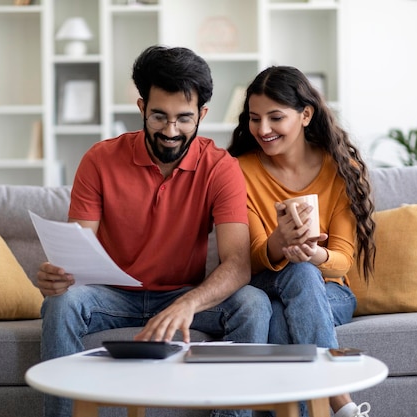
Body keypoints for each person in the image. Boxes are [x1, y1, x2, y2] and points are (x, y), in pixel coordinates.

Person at [37, 45, 272, 417]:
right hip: (111, 297)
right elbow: (76, 252)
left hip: (181, 293)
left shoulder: (221, 167)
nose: (171, 131)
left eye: (184, 118)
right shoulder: (99, 159)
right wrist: (58, 276)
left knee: (253, 304)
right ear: (142, 107)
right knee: (62, 303)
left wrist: (187, 304)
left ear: (202, 115)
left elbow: (239, 264)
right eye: (159, 116)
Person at [227, 66, 377, 417]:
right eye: (254, 118)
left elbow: (343, 260)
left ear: (305, 114)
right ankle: (340, 401)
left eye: (275, 117)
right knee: (297, 273)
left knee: (289, 301)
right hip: (266, 282)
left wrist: (316, 254)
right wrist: (279, 243)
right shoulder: (239, 170)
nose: (262, 129)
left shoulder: (341, 169)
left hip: (330, 291)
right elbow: (247, 257)